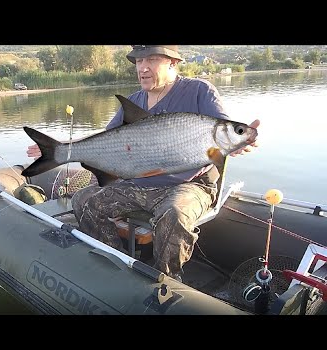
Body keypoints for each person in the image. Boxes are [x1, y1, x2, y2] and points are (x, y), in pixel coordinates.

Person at [27, 45, 259, 280]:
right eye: (138, 61)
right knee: (83, 200)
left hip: (191, 185)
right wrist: (61, 148)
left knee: (174, 214)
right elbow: (106, 140)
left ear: (172, 63)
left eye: (152, 59)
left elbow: (221, 136)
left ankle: (165, 282)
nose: (143, 67)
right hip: (139, 185)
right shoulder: (134, 101)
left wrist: (238, 144)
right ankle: (118, 267)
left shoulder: (199, 91)